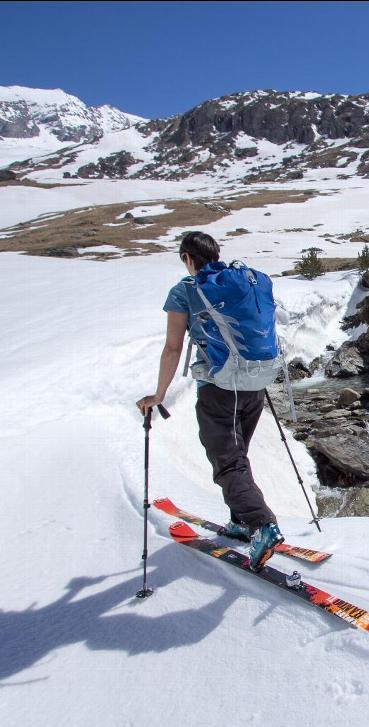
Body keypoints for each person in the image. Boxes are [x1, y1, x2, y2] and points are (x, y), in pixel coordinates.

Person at [136, 231, 284, 572]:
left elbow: (173, 348)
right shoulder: (243, 282)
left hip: (219, 388)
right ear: (216, 254)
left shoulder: (185, 291)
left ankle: (261, 525)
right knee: (236, 456)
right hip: (255, 382)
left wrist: (158, 395)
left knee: (227, 462)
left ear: (188, 258)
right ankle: (241, 520)